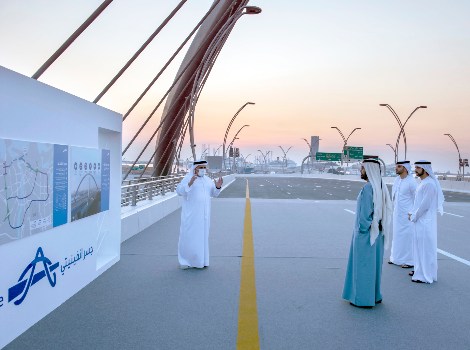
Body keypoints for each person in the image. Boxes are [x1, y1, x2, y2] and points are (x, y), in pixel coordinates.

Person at [342, 159, 392, 308]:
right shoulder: (381, 187)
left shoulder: (368, 188)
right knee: (374, 267)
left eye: (362, 168)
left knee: (362, 266)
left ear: (369, 170)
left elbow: (364, 218)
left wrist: (362, 231)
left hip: (366, 235)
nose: (360, 171)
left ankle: (362, 299)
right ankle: (375, 295)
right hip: (378, 234)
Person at [176, 160, 223, 269]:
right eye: (200, 167)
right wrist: (189, 184)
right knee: (190, 236)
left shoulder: (208, 180)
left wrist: (218, 187)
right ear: (194, 168)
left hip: (205, 216)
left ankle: (202, 261)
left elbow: (214, 194)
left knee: (202, 237)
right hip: (191, 215)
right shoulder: (188, 178)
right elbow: (179, 191)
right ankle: (186, 261)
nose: (202, 170)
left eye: (204, 167)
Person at [408, 160, 444, 283]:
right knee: (419, 248)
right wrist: (412, 214)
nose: (416, 169)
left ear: (425, 168)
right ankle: (420, 271)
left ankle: (425, 275)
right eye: (415, 167)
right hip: (420, 221)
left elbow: (425, 206)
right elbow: (418, 202)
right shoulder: (423, 183)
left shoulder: (429, 184)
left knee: (425, 249)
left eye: (418, 167)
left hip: (425, 222)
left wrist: (414, 216)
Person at [389, 161, 417, 268]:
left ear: (405, 168)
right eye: (396, 166)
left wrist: (412, 213)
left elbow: (416, 199)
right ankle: (396, 258)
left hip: (407, 216)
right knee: (397, 236)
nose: (396, 168)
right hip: (397, 214)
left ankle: (410, 261)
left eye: (399, 166)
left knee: (408, 238)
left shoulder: (412, 181)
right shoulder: (397, 180)